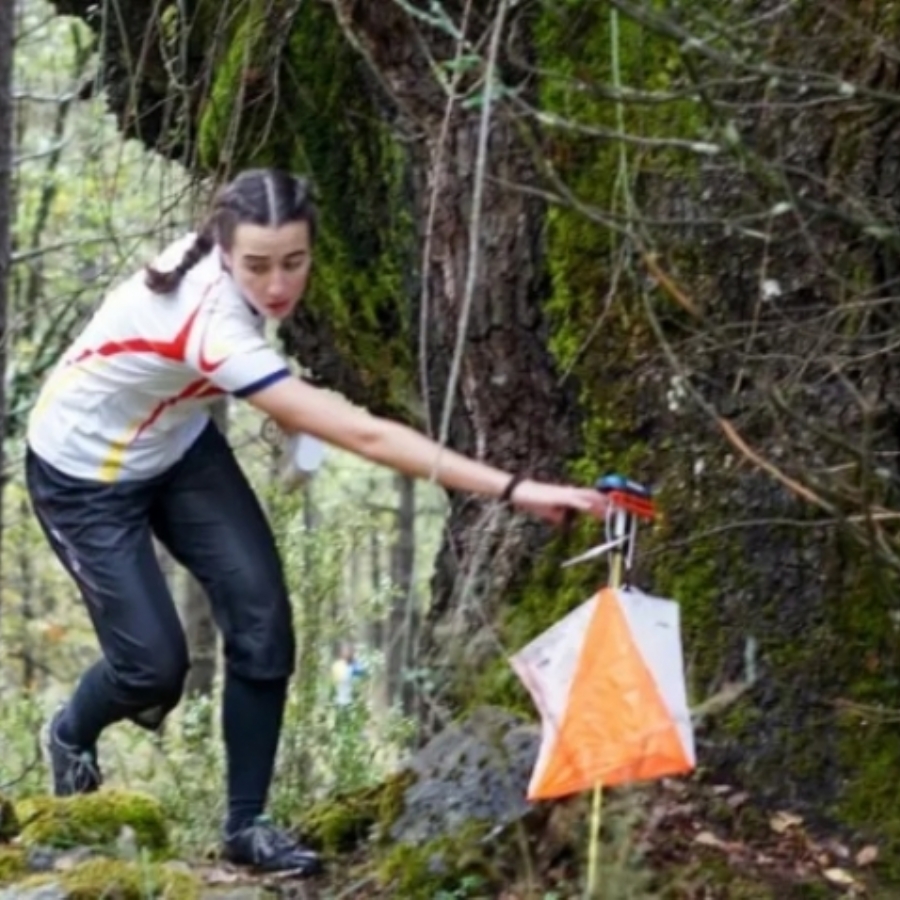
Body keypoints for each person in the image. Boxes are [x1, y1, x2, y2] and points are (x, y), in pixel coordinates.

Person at [24, 168, 608, 876]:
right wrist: (511, 488)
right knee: (152, 668)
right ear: (223, 249)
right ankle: (70, 734)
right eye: (258, 266)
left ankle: (247, 826)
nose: (277, 285)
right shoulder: (209, 324)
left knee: (264, 622)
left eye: (294, 263)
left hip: (175, 448)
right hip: (81, 473)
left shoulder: (234, 276)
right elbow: (364, 437)